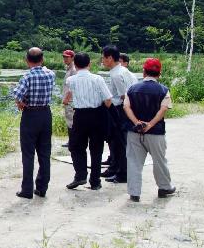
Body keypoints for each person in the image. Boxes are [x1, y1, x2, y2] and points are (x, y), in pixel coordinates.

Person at [124, 58, 176, 202]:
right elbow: (163, 109)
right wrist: (150, 124)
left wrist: (137, 122)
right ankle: (164, 187)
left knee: (134, 161)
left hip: (134, 131)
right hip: (156, 132)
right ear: (159, 74)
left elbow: (126, 107)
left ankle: (134, 193)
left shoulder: (132, 89)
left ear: (144, 72)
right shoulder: (163, 90)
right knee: (159, 160)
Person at [10, 47, 56, 199]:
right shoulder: (51, 74)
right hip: (45, 113)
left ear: (27, 60)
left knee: (28, 154)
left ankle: (27, 189)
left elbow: (16, 94)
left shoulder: (27, 76)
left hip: (30, 115)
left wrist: (20, 102)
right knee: (45, 153)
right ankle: (42, 188)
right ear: (42, 59)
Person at [63, 52, 112, 191]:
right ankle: (95, 180)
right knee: (96, 148)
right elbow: (108, 99)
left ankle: (80, 174)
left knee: (76, 146)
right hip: (97, 114)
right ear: (89, 64)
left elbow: (68, 96)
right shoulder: (98, 79)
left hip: (79, 115)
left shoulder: (71, 80)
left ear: (75, 64)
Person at [101, 45, 138, 184]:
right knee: (119, 142)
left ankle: (123, 173)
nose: (102, 61)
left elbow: (124, 96)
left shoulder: (116, 74)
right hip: (125, 109)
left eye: (104, 58)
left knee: (119, 143)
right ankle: (116, 168)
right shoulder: (125, 71)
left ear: (110, 58)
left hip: (119, 110)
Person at [61, 49, 77, 147]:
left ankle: (72, 142)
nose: (65, 59)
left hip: (70, 101)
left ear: (72, 58)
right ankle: (71, 141)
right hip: (68, 100)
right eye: (64, 57)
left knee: (71, 121)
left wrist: (67, 98)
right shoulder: (69, 68)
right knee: (69, 120)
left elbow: (73, 86)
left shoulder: (74, 69)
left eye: (67, 57)